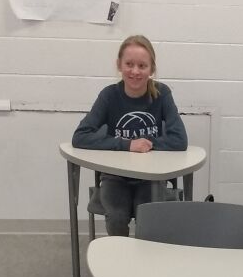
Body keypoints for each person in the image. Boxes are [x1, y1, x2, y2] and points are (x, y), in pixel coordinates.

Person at [72, 35, 188, 236]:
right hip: (115, 176)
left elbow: (179, 139)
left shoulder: (162, 93)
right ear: (119, 65)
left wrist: (147, 143)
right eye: (129, 64)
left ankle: (146, 255)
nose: (135, 71)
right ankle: (120, 256)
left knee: (148, 216)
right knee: (117, 216)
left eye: (142, 66)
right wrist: (127, 144)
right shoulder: (109, 95)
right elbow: (80, 136)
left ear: (151, 69)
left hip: (151, 176)